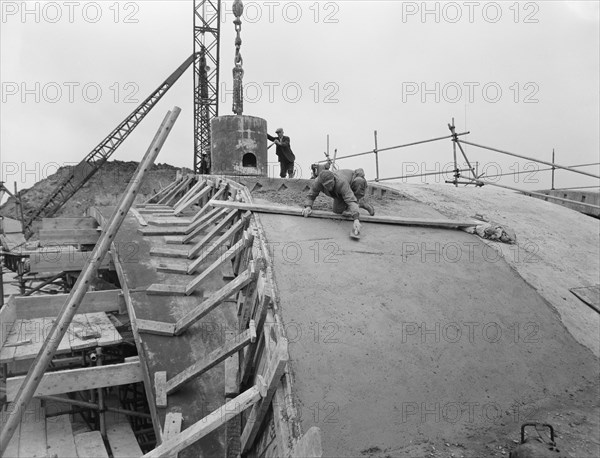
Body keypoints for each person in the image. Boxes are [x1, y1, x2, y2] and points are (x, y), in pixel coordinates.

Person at [302, 169, 367, 235]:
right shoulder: (317, 182)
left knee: (359, 181)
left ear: (334, 179)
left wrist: (356, 219)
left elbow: (350, 200)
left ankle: (357, 201)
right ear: (322, 184)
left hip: (353, 182)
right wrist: (308, 207)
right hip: (340, 192)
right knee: (337, 211)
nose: (329, 187)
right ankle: (360, 205)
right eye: (326, 185)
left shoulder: (341, 182)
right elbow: (311, 195)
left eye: (331, 183)